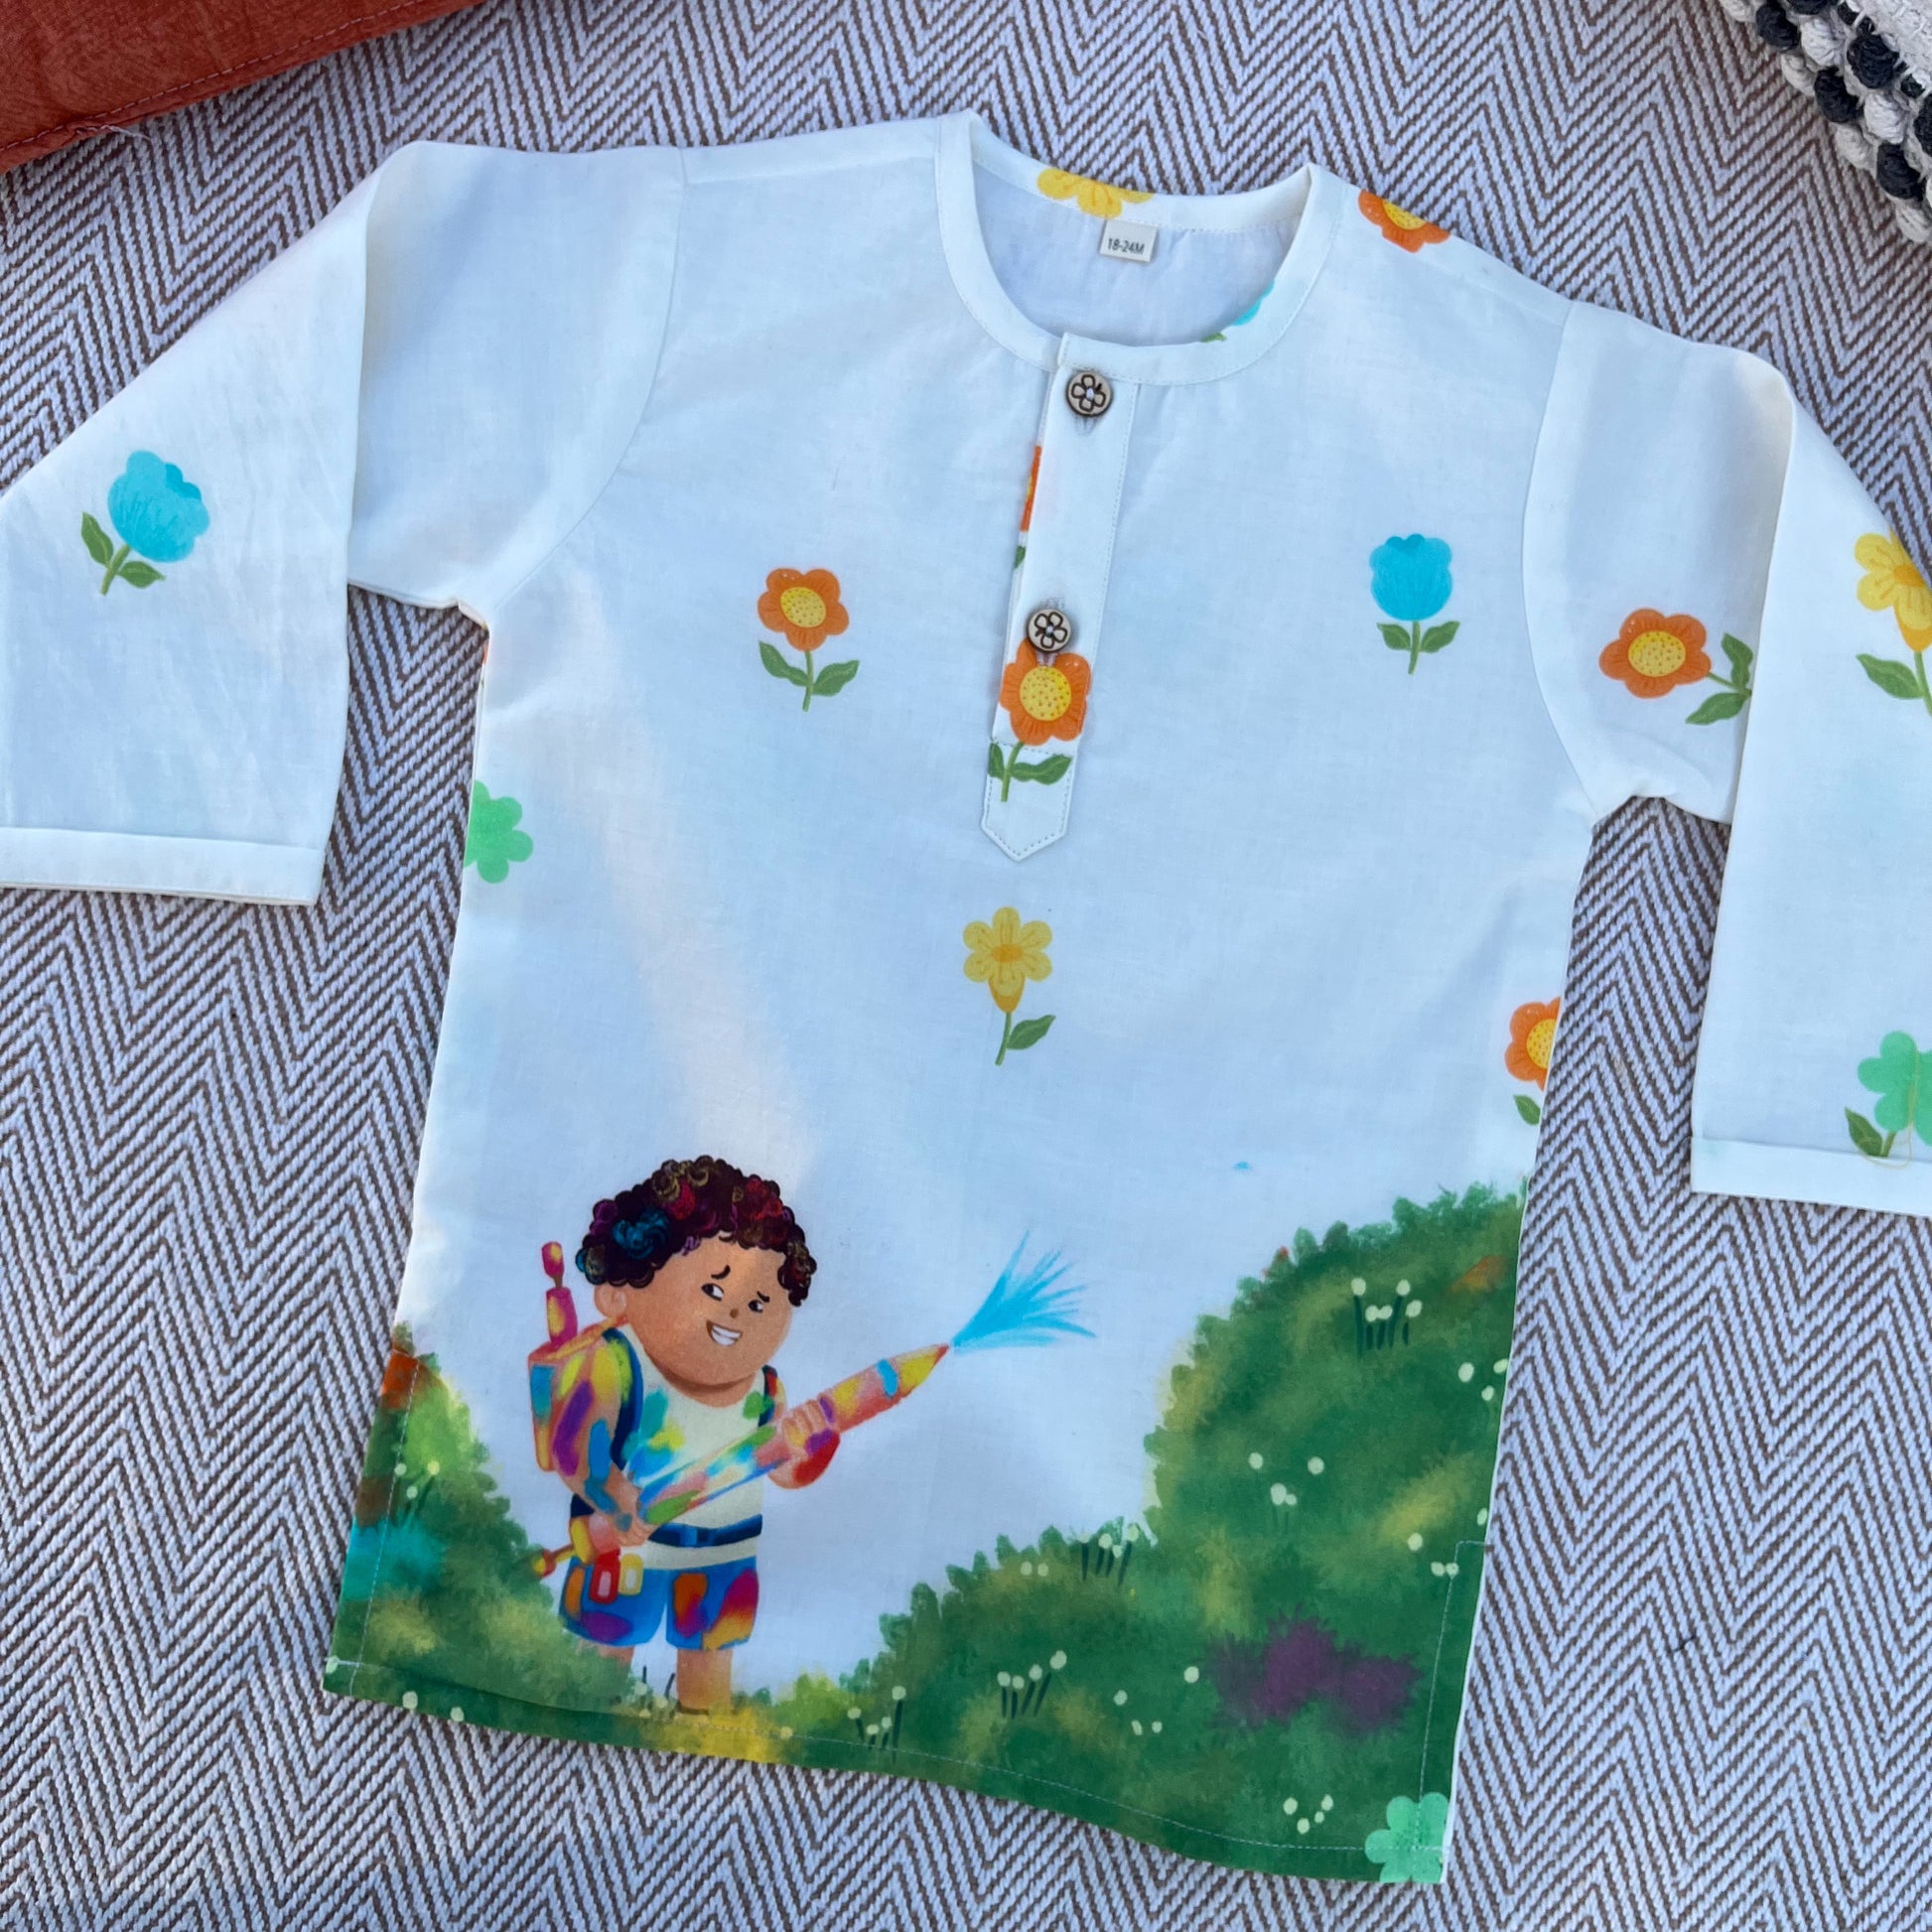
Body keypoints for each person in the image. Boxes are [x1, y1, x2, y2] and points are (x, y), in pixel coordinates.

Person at [541, 1156, 827, 1713]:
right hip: (626, 1548)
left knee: (709, 1678)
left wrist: (810, 1449)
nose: (737, 1314)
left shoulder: (765, 1388)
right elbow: (572, 1448)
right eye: (714, 1291)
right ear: (620, 1293)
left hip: (726, 1556)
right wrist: (614, 1497)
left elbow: (783, 1470)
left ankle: (699, 1736)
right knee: (596, 1671)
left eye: (760, 1302)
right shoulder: (617, 1363)